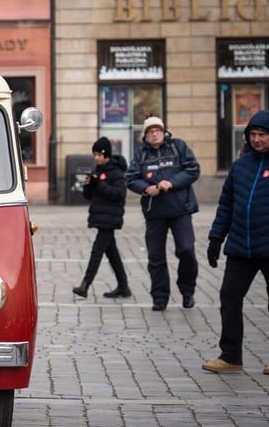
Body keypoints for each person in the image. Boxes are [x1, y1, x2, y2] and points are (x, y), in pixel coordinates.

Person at [202, 109, 269, 375]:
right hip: (240, 247)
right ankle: (231, 356)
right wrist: (215, 237)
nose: (257, 140)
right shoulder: (241, 165)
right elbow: (226, 204)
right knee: (229, 297)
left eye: (263, 135)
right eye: (253, 135)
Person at [126, 115, 200, 311]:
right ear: (145, 135)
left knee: (186, 249)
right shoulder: (141, 153)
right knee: (155, 257)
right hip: (154, 212)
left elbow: (193, 170)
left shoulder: (178, 147)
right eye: (150, 131)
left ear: (164, 131)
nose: (154, 134)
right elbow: (131, 178)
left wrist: (172, 182)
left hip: (181, 209)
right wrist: (145, 188)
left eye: (157, 130)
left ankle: (187, 291)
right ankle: (160, 297)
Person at [72, 137, 131, 299]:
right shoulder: (98, 171)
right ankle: (124, 287)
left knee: (97, 251)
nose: (96, 158)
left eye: (99, 154)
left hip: (110, 218)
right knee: (112, 253)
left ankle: (85, 285)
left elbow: (118, 194)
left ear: (106, 154)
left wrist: (100, 184)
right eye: (94, 154)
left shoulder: (117, 172)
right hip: (100, 217)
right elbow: (88, 196)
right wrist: (89, 185)